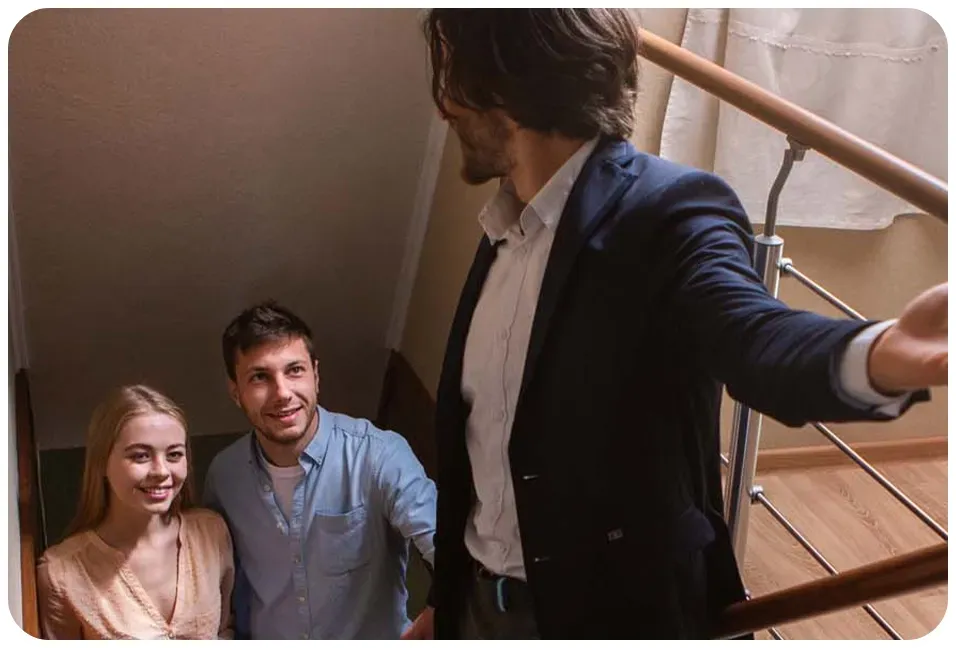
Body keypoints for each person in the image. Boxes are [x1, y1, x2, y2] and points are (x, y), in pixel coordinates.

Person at [421, 8, 948, 639]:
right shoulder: (506, 226)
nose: (444, 105)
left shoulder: (669, 210)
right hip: (478, 608)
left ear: (508, 81)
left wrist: (880, 354)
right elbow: (476, 449)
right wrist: (445, 604)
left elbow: (753, 337)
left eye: (452, 70)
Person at [203, 301, 437, 639]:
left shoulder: (379, 454)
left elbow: (446, 547)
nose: (282, 393)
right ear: (235, 392)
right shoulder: (223, 476)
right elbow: (218, 585)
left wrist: (438, 612)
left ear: (315, 374)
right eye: (259, 377)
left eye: (294, 370)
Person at [36, 385, 235, 640]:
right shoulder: (61, 573)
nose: (161, 471)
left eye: (174, 454)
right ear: (101, 462)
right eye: (140, 456)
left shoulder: (211, 532)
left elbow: (225, 629)